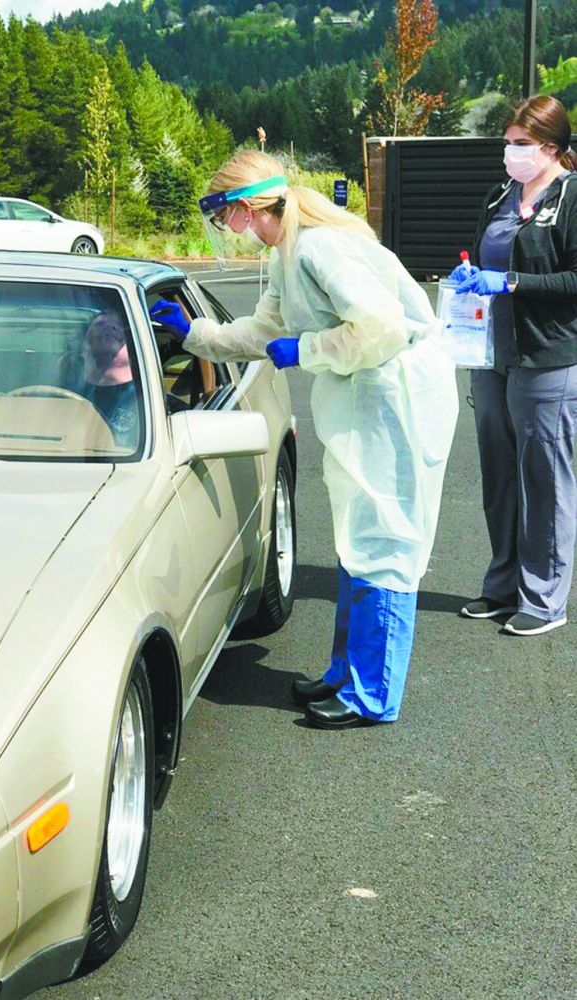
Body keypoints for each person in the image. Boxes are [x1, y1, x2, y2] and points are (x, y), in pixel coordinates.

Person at [150, 151, 459, 729]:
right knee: (357, 536)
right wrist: (194, 333)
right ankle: (346, 673)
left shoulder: (319, 246)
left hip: (396, 397)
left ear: (244, 208)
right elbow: (262, 331)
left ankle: (371, 695)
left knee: (383, 539)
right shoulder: (288, 250)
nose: (225, 231)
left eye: (224, 217)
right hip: (364, 392)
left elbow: (382, 327)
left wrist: (309, 349)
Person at [452, 96, 577, 637]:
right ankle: (502, 585)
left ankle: (545, 598)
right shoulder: (501, 193)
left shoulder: (571, 198)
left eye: (521, 144)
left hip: (547, 356)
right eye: (507, 142)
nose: (511, 152)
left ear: (550, 147)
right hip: (490, 353)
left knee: (544, 480)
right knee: (500, 476)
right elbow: (485, 257)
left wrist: (512, 283)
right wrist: (470, 278)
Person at [78, 311, 139, 449]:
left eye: (118, 326)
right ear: (85, 343)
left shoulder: (149, 397)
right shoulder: (68, 391)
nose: (110, 328)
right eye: (100, 324)